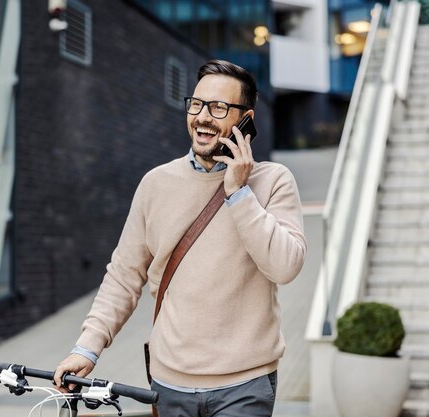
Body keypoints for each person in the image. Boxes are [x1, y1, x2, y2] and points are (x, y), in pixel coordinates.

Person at [54, 60, 307, 416]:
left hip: (245, 386)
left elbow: (285, 266)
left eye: (219, 108)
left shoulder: (273, 181)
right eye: (197, 104)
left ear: (246, 118)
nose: (203, 117)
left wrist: (238, 193)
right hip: (168, 384)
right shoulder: (155, 184)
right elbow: (124, 276)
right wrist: (86, 348)